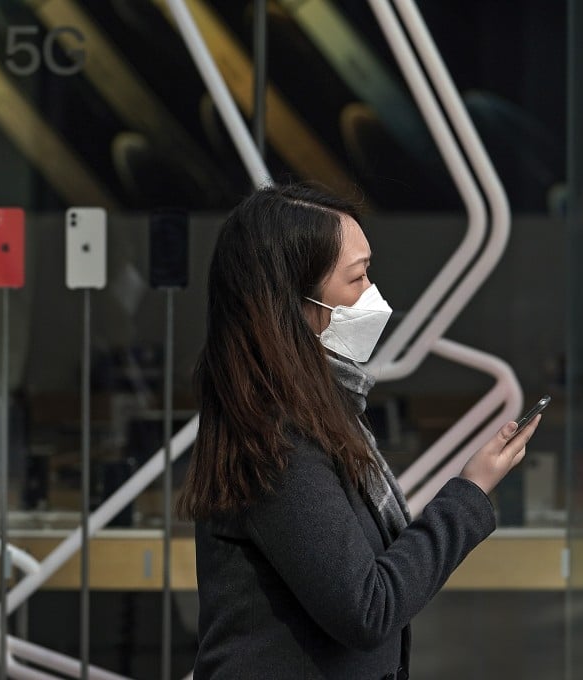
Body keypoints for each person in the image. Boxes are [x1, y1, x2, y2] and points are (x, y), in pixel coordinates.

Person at [176, 183, 541, 679]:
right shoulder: (276, 438)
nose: (374, 296)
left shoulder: (317, 411)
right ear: (292, 301)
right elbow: (369, 607)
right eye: (358, 278)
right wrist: (469, 492)